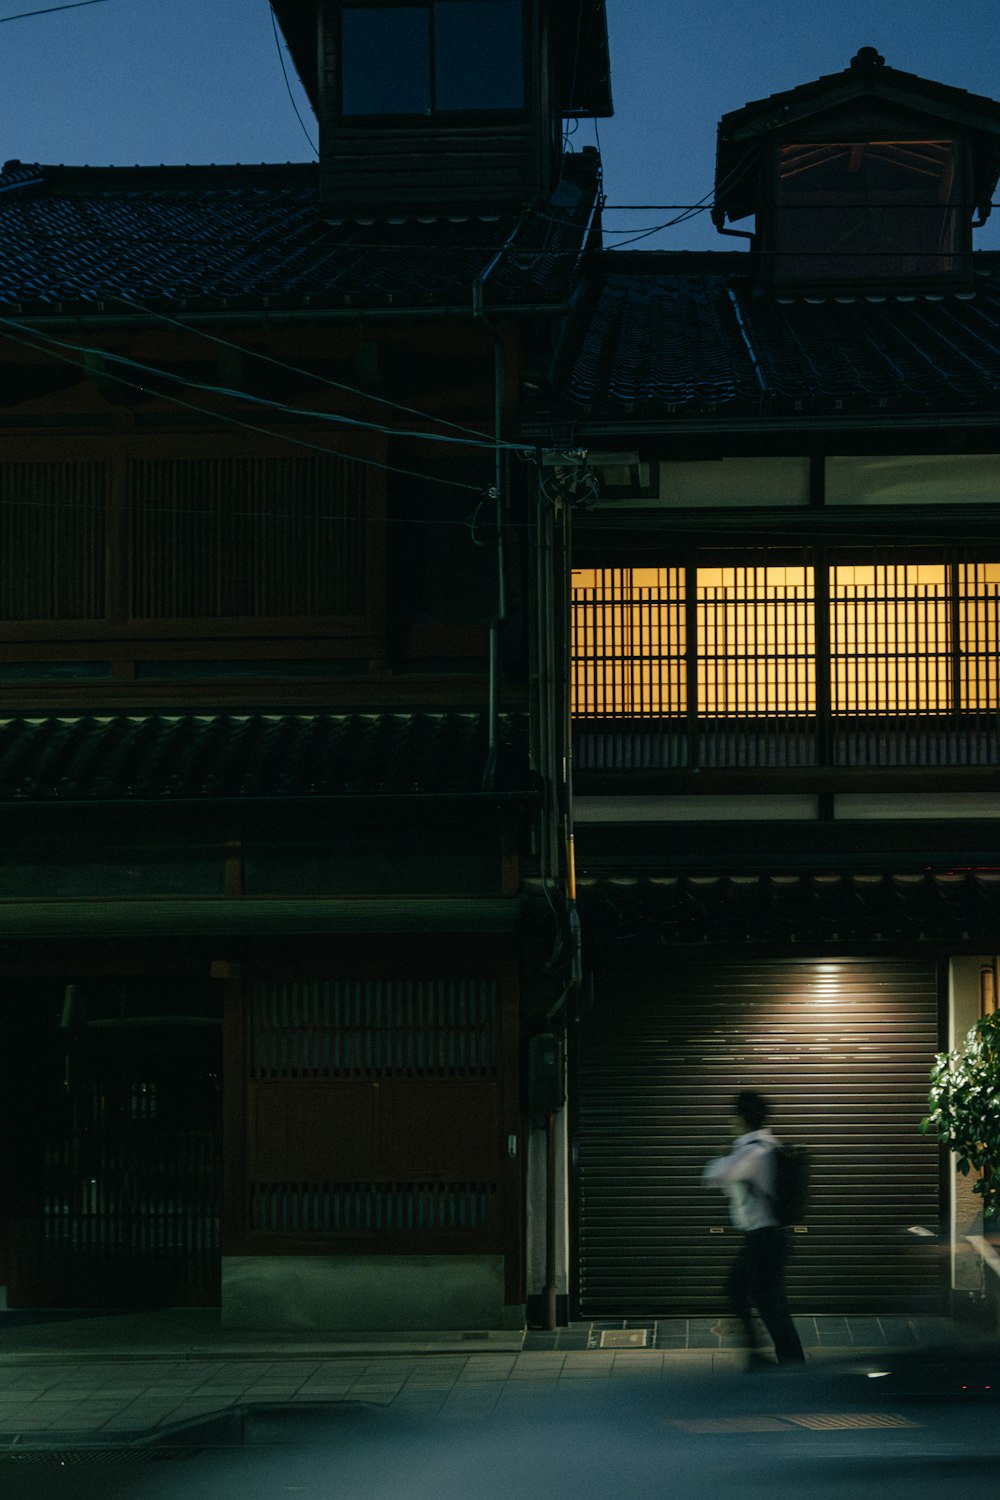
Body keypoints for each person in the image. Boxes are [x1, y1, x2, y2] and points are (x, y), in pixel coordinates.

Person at [702, 1089, 805, 1368]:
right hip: (769, 1238)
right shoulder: (769, 1143)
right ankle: (772, 1357)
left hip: (764, 1239)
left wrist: (722, 1154)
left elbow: (714, 1176)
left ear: (740, 1118)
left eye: (733, 1117)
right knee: (751, 1294)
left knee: (768, 1303)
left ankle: (789, 1364)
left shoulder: (752, 1152)